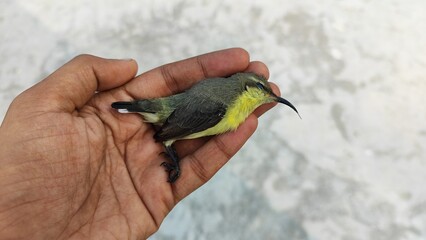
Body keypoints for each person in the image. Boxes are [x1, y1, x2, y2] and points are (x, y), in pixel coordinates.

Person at [0, 48, 279, 239]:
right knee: (175, 136)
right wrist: (167, 144)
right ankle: (139, 115)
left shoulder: (230, 105)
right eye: (263, 91)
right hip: (169, 117)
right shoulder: (221, 104)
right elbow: (174, 126)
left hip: (176, 114)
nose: (267, 97)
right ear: (246, 88)